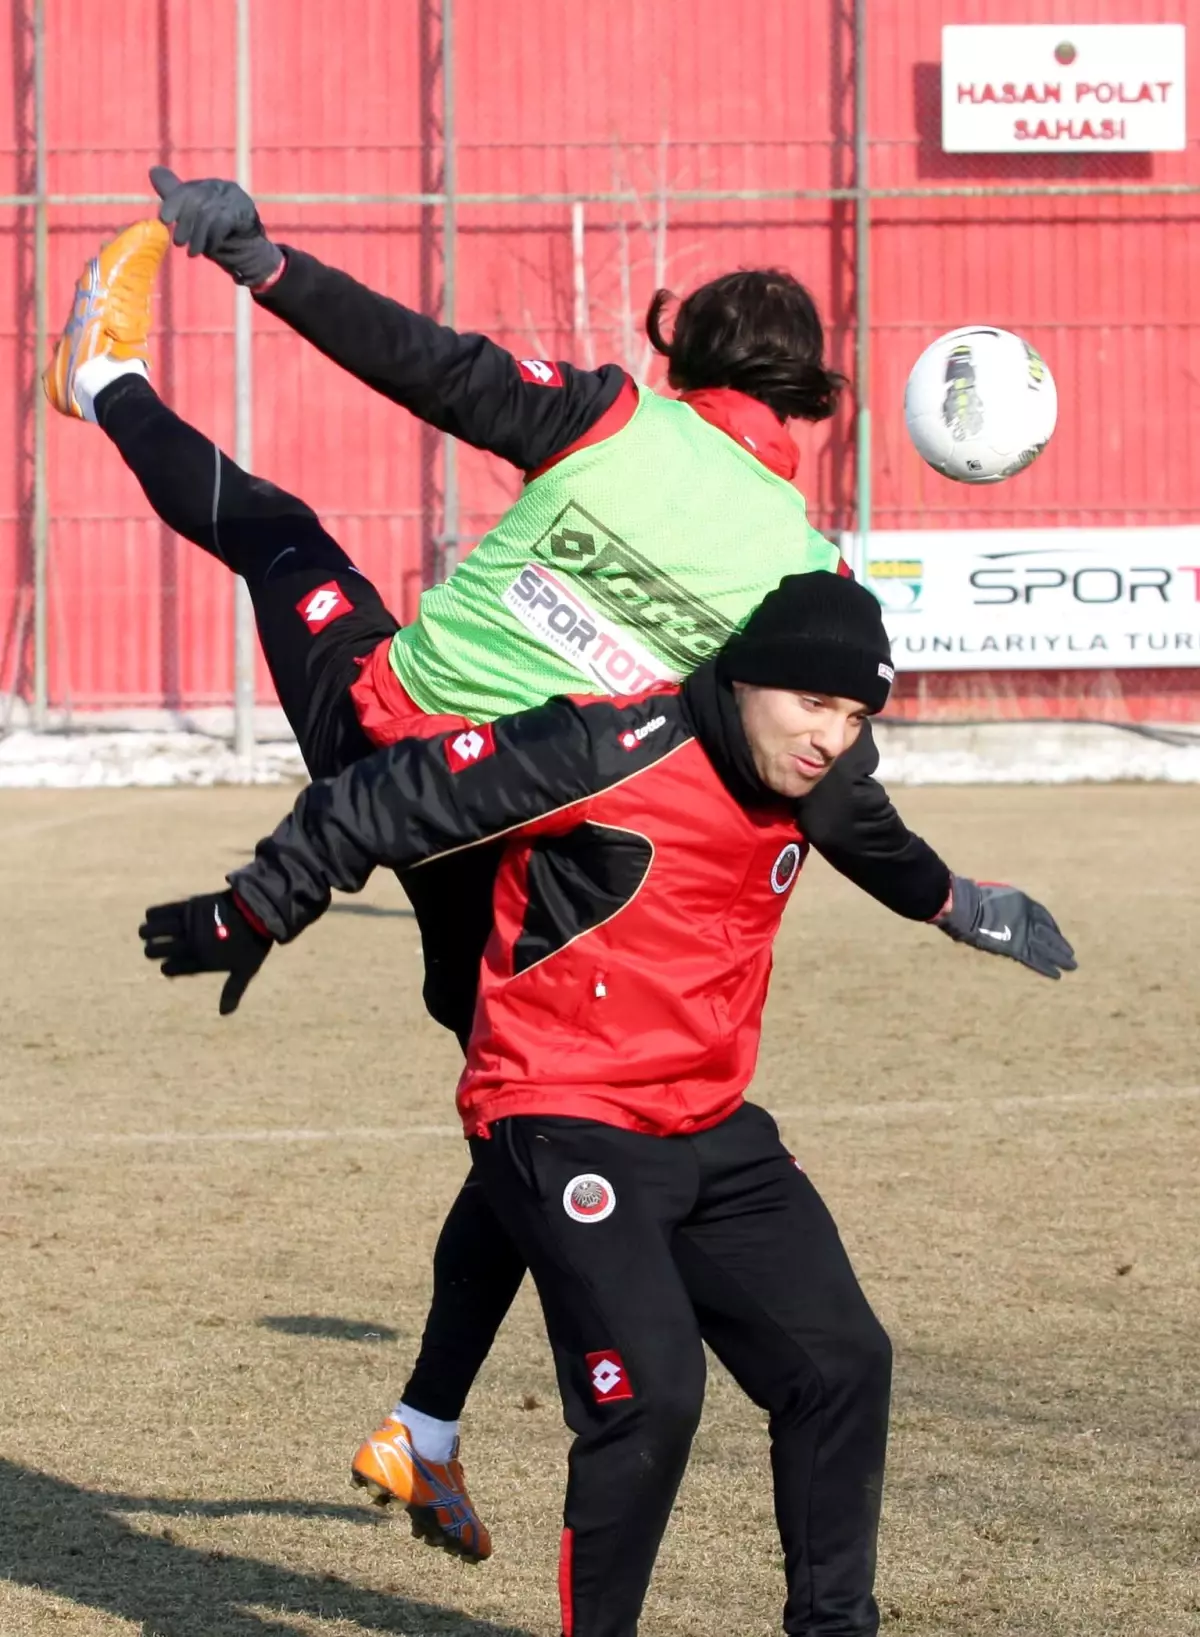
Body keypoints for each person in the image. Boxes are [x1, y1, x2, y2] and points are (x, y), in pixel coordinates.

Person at [46, 213, 1075, 1563]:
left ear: (682, 348)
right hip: (513, 843)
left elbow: (420, 363)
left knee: (285, 536)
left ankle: (106, 380)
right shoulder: (804, 573)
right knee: (539, 1109)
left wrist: (266, 264)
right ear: (815, 402)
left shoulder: (609, 418)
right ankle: (422, 1429)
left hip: (387, 741)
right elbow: (838, 794)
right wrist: (956, 901)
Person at [139, 572, 1074, 1637]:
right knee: (654, 1395)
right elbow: (385, 794)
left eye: (856, 715)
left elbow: (870, 831)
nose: (831, 736)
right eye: (814, 703)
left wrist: (959, 905)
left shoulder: (817, 770)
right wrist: (259, 904)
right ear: (748, 677)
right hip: (557, 1107)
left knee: (843, 1363)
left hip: (711, 1123)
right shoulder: (607, 746)